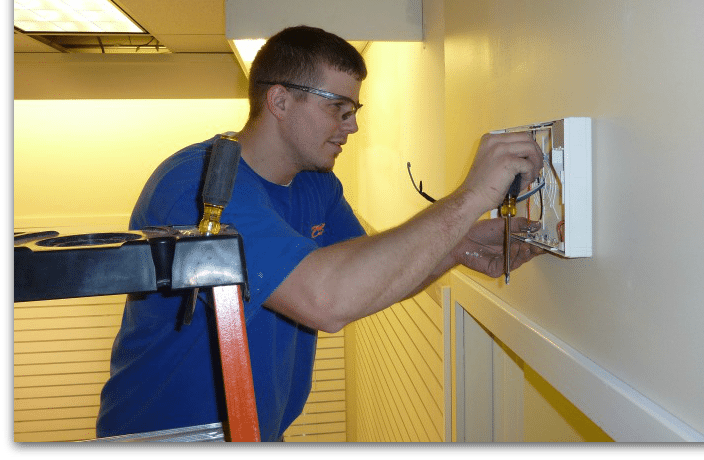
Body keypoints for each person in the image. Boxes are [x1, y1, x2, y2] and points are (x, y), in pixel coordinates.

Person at [96, 25, 544, 442]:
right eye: (338, 108)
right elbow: (327, 300)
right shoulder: (202, 185)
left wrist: (459, 248)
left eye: (354, 110)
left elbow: (366, 278)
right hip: (168, 433)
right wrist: (470, 198)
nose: (351, 126)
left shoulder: (317, 185)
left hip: (257, 429)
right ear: (280, 101)